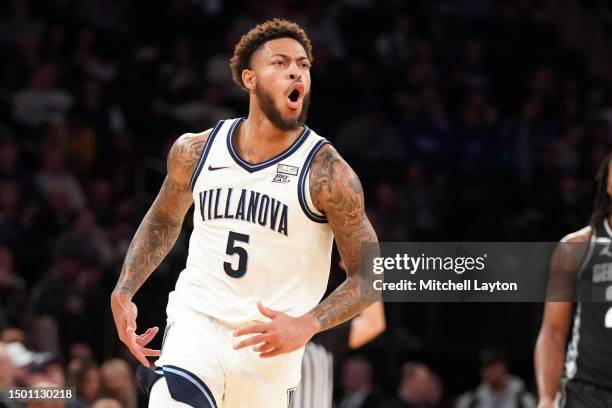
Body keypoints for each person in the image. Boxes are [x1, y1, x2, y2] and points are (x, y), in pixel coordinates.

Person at [110, 18, 378, 408]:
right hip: (197, 323)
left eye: (303, 64)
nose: (295, 71)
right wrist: (125, 287)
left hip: (270, 349)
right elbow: (166, 218)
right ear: (249, 79)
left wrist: (308, 324)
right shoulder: (196, 151)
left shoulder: (328, 174)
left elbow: (371, 274)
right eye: (281, 62)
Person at [535, 150, 612, 408]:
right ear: (608, 183)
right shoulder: (577, 246)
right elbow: (553, 331)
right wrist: (547, 397)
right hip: (586, 392)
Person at [457, 349, 535, 408]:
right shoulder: (470, 401)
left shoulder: (524, 400)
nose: (491, 372)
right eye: (487, 368)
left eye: (494, 366)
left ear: (504, 367)